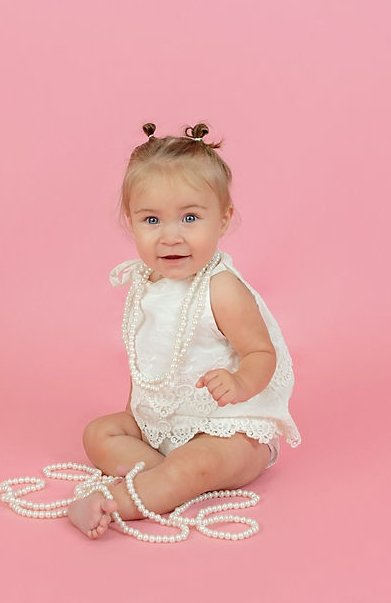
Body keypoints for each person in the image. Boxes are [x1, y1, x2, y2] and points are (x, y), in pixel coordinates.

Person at [68, 122, 301, 539]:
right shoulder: (144, 284)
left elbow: (262, 354)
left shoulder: (222, 289)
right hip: (167, 423)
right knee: (98, 432)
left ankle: (117, 500)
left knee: (199, 461)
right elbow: (148, 362)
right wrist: (136, 416)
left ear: (223, 219)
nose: (170, 236)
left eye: (190, 218)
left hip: (230, 428)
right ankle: (164, 480)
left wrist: (239, 381)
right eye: (152, 219)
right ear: (131, 221)